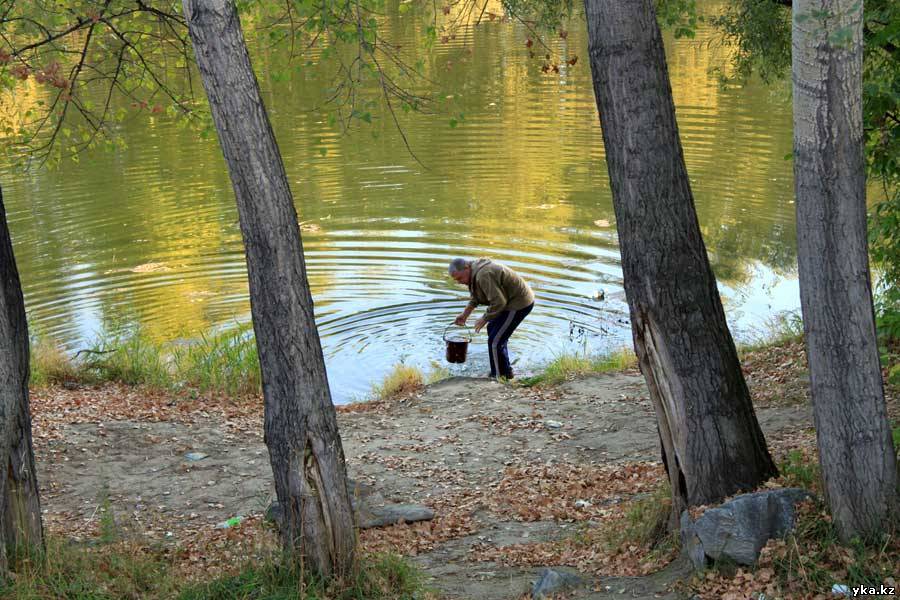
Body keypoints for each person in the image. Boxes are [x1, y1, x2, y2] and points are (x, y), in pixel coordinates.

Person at [449, 257, 534, 379]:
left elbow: (499, 302)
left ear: (466, 268)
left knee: (495, 341)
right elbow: (476, 296)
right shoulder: (474, 272)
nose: (459, 282)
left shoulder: (483, 275)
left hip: (519, 303)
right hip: (508, 301)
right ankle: (505, 371)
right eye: (456, 280)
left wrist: (484, 318)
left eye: (460, 278)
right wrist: (465, 315)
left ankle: (498, 377)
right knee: (493, 330)